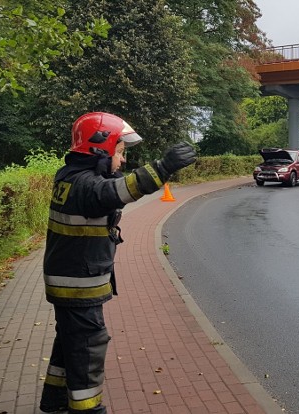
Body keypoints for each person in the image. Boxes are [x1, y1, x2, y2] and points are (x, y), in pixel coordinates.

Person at [39, 112, 196, 414]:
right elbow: (115, 192)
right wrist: (163, 168)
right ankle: (87, 409)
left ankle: (55, 398)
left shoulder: (70, 176)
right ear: (99, 148)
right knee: (87, 345)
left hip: (70, 281)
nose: (122, 160)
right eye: (120, 151)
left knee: (69, 341)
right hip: (78, 286)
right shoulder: (87, 186)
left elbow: (107, 185)